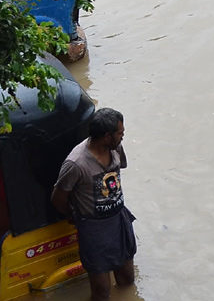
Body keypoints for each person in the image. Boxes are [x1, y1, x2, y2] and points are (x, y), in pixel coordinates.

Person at [51, 108, 137, 301]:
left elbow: (120, 167)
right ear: (107, 137)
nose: (123, 136)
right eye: (120, 133)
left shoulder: (115, 147)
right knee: (101, 293)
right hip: (94, 229)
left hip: (118, 220)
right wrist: (73, 215)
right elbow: (58, 197)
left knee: (127, 280)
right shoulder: (76, 164)